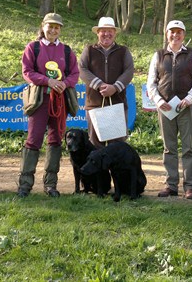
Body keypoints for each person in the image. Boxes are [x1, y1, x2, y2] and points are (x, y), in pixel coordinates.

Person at [17, 12, 79, 198]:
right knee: (33, 139)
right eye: (50, 26)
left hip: (60, 101)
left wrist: (64, 83)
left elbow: (74, 74)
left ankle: (50, 184)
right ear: (43, 26)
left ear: (60, 30)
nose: (53, 30)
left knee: (55, 140)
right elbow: (27, 72)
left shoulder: (67, 51)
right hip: (39, 99)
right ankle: (25, 184)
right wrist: (47, 81)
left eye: (57, 27)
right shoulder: (33, 48)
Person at [147, 20, 192, 200]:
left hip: (186, 107)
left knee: (189, 147)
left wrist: (189, 99)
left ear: (184, 35)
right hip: (165, 108)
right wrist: (158, 100)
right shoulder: (158, 55)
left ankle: (190, 186)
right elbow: (151, 82)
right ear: (167, 34)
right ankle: (171, 184)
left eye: (179, 32)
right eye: (172, 32)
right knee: (168, 148)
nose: (175, 35)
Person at [78, 17, 134, 148]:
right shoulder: (89, 50)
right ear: (97, 33)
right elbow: (82, 69)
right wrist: (100, 85)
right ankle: (98, 170)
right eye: (103, 31)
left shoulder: (123, 51)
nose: (106, 34)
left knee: (118, 145)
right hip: (94, 104)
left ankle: (117, 169)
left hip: (117, 103)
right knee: (96, 143)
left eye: (110, 31)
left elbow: (129, 71)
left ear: (115, 33)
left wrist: (114, 88)